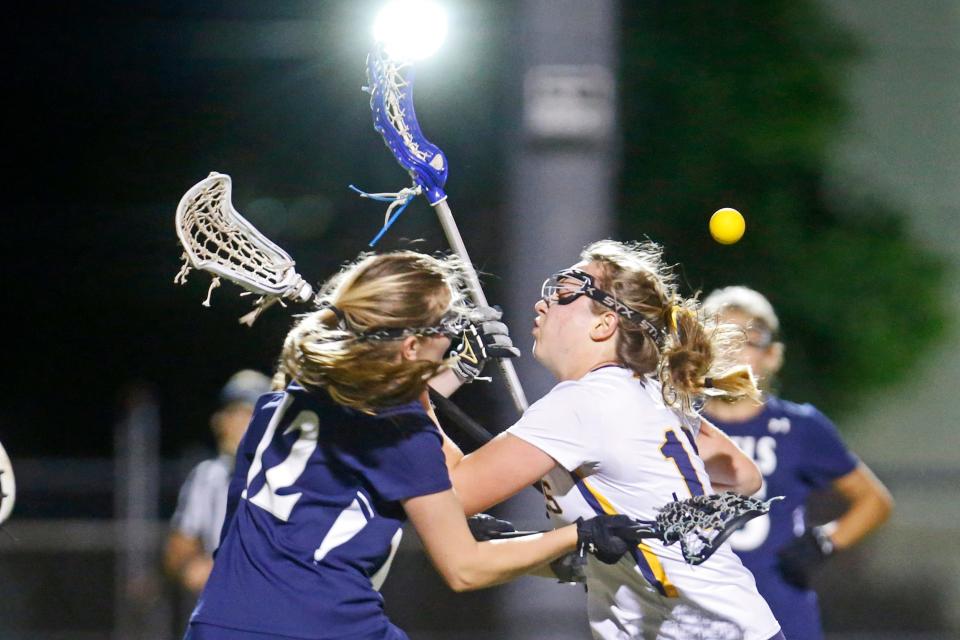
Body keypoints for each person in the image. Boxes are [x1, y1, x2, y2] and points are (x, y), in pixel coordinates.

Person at [184, 250, 644, 640]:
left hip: (216, 622)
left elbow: (367, 419)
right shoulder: (400, 433)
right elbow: (464, 568)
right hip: (323, 623)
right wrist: (577, 535)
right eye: (448, 326)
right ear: (410, 347)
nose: (452, 339)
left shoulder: (276, 407)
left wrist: (456, 371)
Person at [443, 240, 784, 640]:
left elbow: (448, 496)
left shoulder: (581, 404)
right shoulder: (650, 391)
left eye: (564, 291)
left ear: (604, 323)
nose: (543, 303)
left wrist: (428, 385)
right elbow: (743, 475)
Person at [700, 286, 894, 640]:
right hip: (691, 611)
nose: (730, 351)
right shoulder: (674, 423)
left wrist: (825, 541)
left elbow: (874, 501)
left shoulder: (799, 428)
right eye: (719, 337)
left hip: (778, 609)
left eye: (747, 339)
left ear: (772, 355)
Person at [165, 369, 273, 594]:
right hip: (225, 611)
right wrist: (193, 569)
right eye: (232, 414)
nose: (237, 424)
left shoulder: (289, 477)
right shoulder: (207, 477)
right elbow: (178, 551)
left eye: (247, 414)